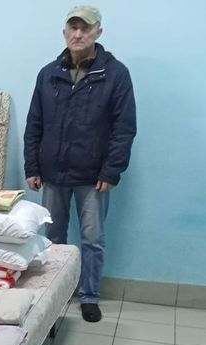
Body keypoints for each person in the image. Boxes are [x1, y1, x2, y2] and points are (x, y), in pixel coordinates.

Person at [24, 5, 136, 322]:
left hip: (93, 176)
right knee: (52, 240)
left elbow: (124, 128)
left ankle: (89, 296)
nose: (78, 34)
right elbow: (35, 123)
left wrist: (111, 170)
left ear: (98, 32)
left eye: (85, 28)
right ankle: (54, 294)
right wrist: (32, 166)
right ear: (64, 32)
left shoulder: (115, 74)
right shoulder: (48, 74)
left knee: (92, 240)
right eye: (73, 28)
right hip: (53, 174)